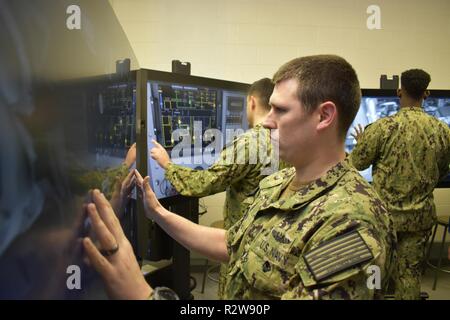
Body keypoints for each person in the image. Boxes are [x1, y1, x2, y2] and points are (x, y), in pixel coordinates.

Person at [84, 55, 396, 300]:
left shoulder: (351, 223)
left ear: (324, 116)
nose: (268, 122)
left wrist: (143, 295)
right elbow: (233, 244)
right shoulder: (279, 185)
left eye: (281, 110)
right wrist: (159, 214)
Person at [150, 78, 287, 298]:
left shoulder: (248, 142)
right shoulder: (287, 140)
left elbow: (204, 183)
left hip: (242, 246)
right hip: (274, 244)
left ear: (251, 102)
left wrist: (167, 165)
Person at [350, 69, 450, 299]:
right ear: (427, 93)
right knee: (410, 275)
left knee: (375, 273)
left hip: (384, 217)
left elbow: (357, 162)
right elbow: (443, 171)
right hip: (420, 218)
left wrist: (362, 143)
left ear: (399, 91)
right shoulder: (443, 131)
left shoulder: (382, 128)